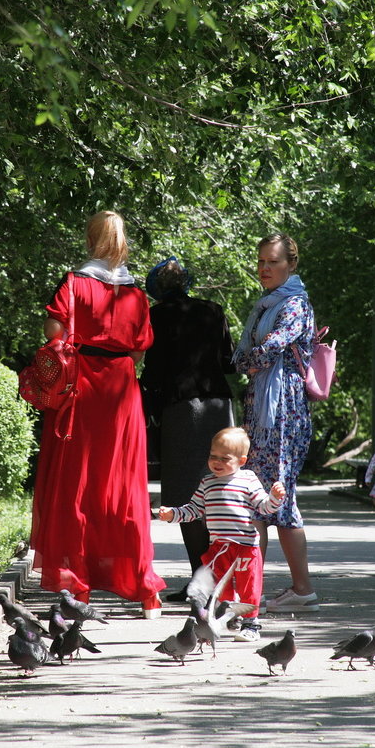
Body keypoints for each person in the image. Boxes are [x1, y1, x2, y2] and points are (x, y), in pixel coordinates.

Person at [30, 210, 167, 619]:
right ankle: (146, 592)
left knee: (77, 484)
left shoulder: (74, 282)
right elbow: (141, 349)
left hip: (81, 387)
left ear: (91, 239)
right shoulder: (136, 293)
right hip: (121, 390)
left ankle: (80, 587)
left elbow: (54, 332)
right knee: (124, 487)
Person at [231, 233, 318, 615]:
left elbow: (267, 351)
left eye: (273, 262)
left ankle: (270, 592)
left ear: (291, 265)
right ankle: (271, 590)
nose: (265, 268)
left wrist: (242, 362)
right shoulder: (267, 303)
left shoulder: (295, 303)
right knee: (263, 501)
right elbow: (252, 353)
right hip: (263, 410)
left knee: (274, 500)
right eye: (261, 261)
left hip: (282, 412)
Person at [139, 256, 236, 602]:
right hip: (218, 408)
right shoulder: (213, 310)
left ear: (158, 291)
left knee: (185, 496)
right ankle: (219, 582)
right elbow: (229, 361)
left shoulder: (156, 316)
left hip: (181, 410)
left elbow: (152, 372)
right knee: (221, 491)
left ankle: (201, 579)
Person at [157, 427, 286, 642]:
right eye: (212, 456)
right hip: (219, 547)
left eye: (225, 458)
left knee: (249, 586)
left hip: (246, 546)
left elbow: (264, 508)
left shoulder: (248, 479)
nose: (216, 462)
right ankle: (228, 616)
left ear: (242, 460)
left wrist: (275, 498)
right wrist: (172, 514)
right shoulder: (207, 483)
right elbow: (193, 510)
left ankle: (251, 624)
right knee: (220, 586)